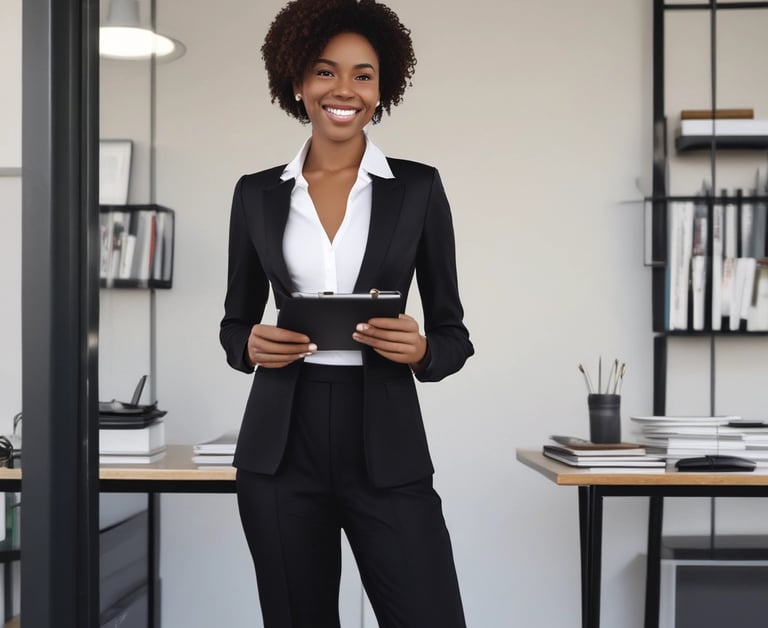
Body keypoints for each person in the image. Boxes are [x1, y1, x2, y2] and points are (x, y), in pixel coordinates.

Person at [219, 1, 474, 626]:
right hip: (281, 443)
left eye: (364, 75)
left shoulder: (417, 188)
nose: (344, 90)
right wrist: (249, 345)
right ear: (297, 82)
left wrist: (422, 351)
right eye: (325, 71)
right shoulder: (256, 193)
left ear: (382, 88)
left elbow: (452, 333)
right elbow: (234, 322)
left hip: (384, 435)